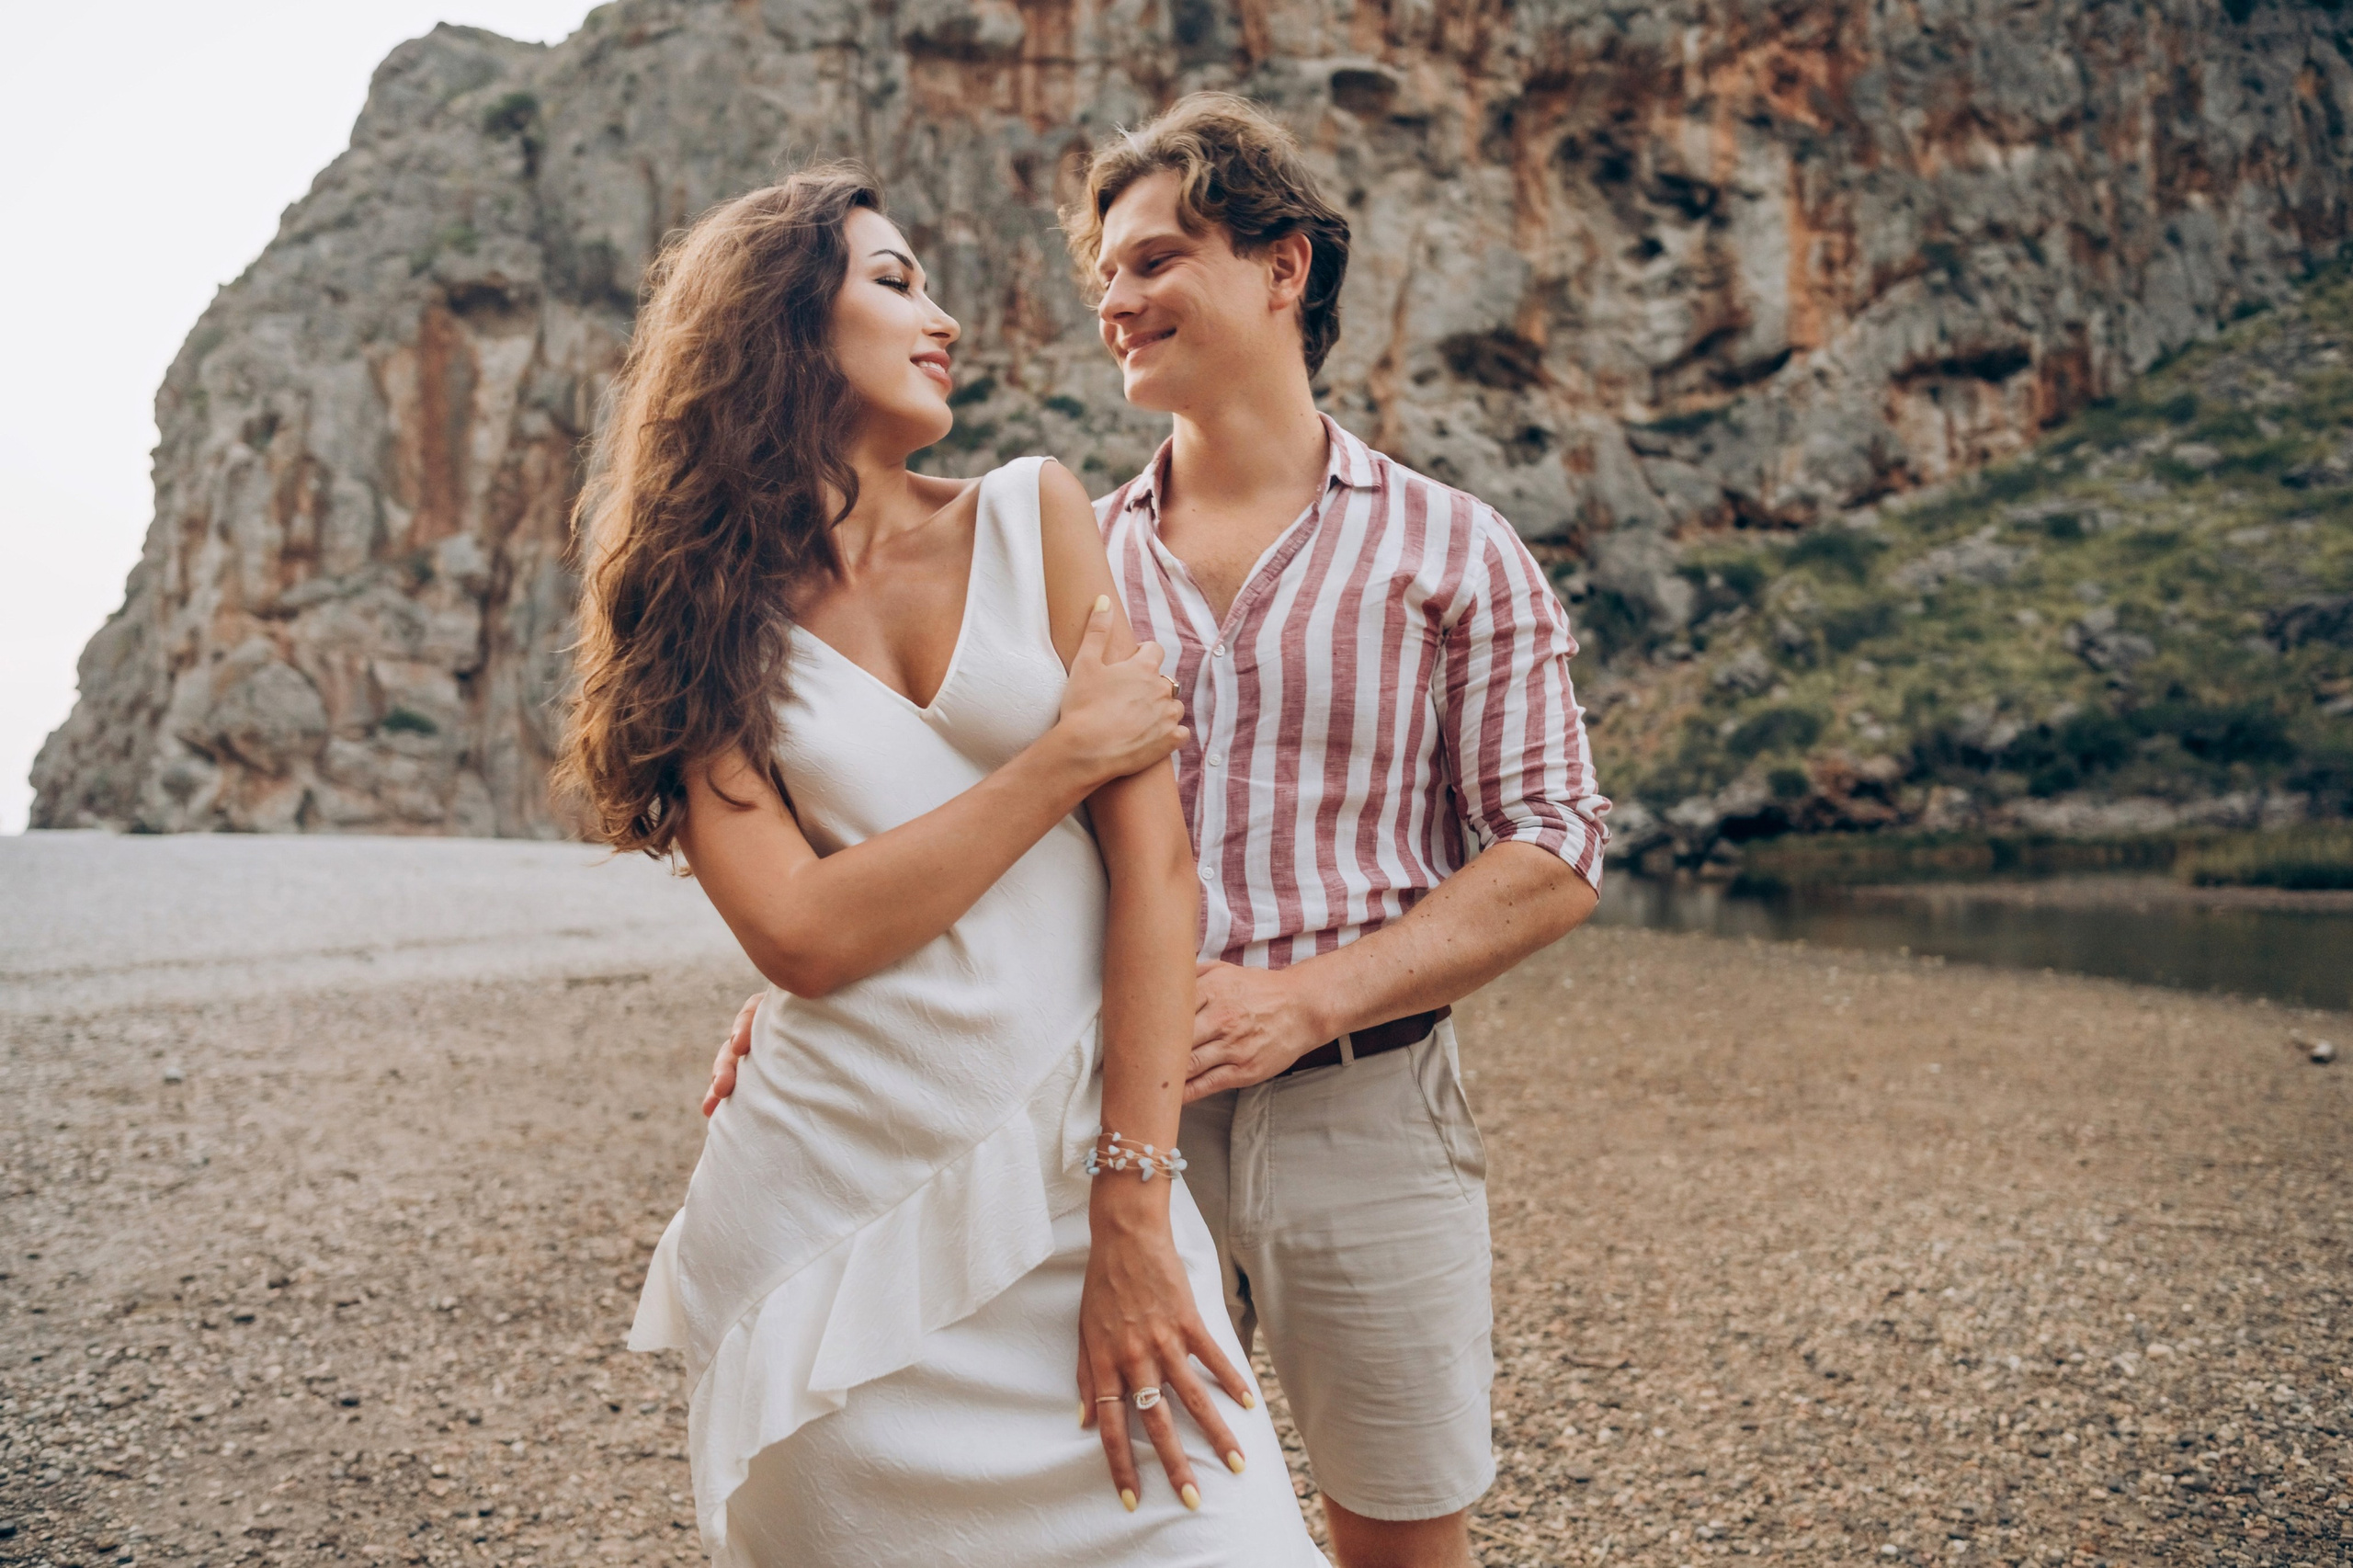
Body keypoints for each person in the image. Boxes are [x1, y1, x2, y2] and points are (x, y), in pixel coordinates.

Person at [709, 97, 1609, 1568]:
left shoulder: (1455, 547)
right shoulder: (1063, 552)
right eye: (1108, 274)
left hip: (1364, 1112)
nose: (1117, 300)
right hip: (1094, 1126)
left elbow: (1557, 844)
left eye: (1157, 259)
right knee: (1140, 1518)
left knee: (1401, 1533)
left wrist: (1304, 998)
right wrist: (810, 987)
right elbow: (944, 816)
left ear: (1284, 267)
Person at [563, 168, 1328, 1567]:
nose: (948, 316)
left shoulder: (1033, 515)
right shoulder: (699, 614)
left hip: (1085, 1184)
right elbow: (799, 934)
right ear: (785, 326)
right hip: (827, 1230)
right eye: (896, 281)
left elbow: (1157, 878)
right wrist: (1058, 759)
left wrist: (1133, 1209)